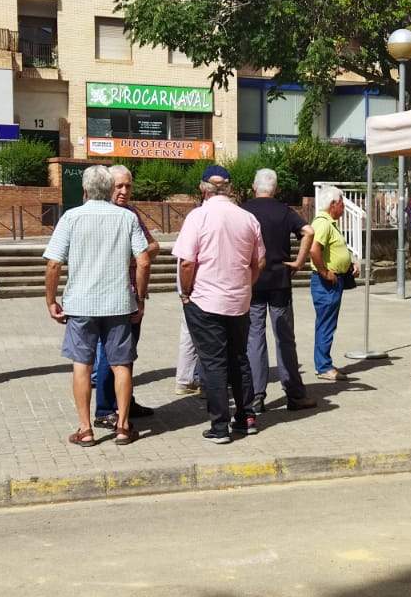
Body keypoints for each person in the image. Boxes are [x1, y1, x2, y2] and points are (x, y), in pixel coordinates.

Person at [44, 164, 151, 446]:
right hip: (118, 303)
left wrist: (51, 300)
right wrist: (140, 298)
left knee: (82, 365)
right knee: (121, 364)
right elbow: (143, 260)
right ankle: (124, 426)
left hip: (81, 304)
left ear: (85, 190)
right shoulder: (126, 218)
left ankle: (85, 429)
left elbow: (54, 262)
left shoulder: (71, 217)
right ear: (108, 189)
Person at [173, 165, 265, 444]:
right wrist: (246, 286)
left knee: (213, 363)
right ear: (229, 187)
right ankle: (246, 416)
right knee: (239, 358)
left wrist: (186, 292)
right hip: (238, 301)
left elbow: (187, 261)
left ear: (203, 188)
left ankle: (220, 425)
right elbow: (258, 262)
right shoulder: (247, 218)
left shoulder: (198, 217)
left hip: (205, 300)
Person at [242, 168, 316, 414]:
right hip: (280, 282)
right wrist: (299, 261)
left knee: (254, 337)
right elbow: (309, 231)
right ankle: (294, 394)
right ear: (276, 189)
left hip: (252, 281)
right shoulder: (285, 211)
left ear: (254, 186)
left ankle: (255, 396)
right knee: (284, 338)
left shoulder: (244, 211)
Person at [92, 165, 158, 429]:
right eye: (119, 186)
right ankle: (106, 409)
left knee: (127, 354)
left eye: (128, 186)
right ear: (107, 186)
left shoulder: (131, 213)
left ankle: (125, 403)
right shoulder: (98, 214)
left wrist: (135, 255)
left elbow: (152, 246)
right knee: (110, 355)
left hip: (131, 294)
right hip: (109, 295)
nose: (124, 191)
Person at [308, 188, 356, 382]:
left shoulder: (329, 224)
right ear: (333, 204)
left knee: (328, 323)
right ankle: (323, 366)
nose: (343, 207)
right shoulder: (323, 224)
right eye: (342, 203)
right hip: (326, 283)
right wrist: (325, 271)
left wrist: (348, 264)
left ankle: (324, 362)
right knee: (326, 324)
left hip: (334, 280)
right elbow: (314, 250)